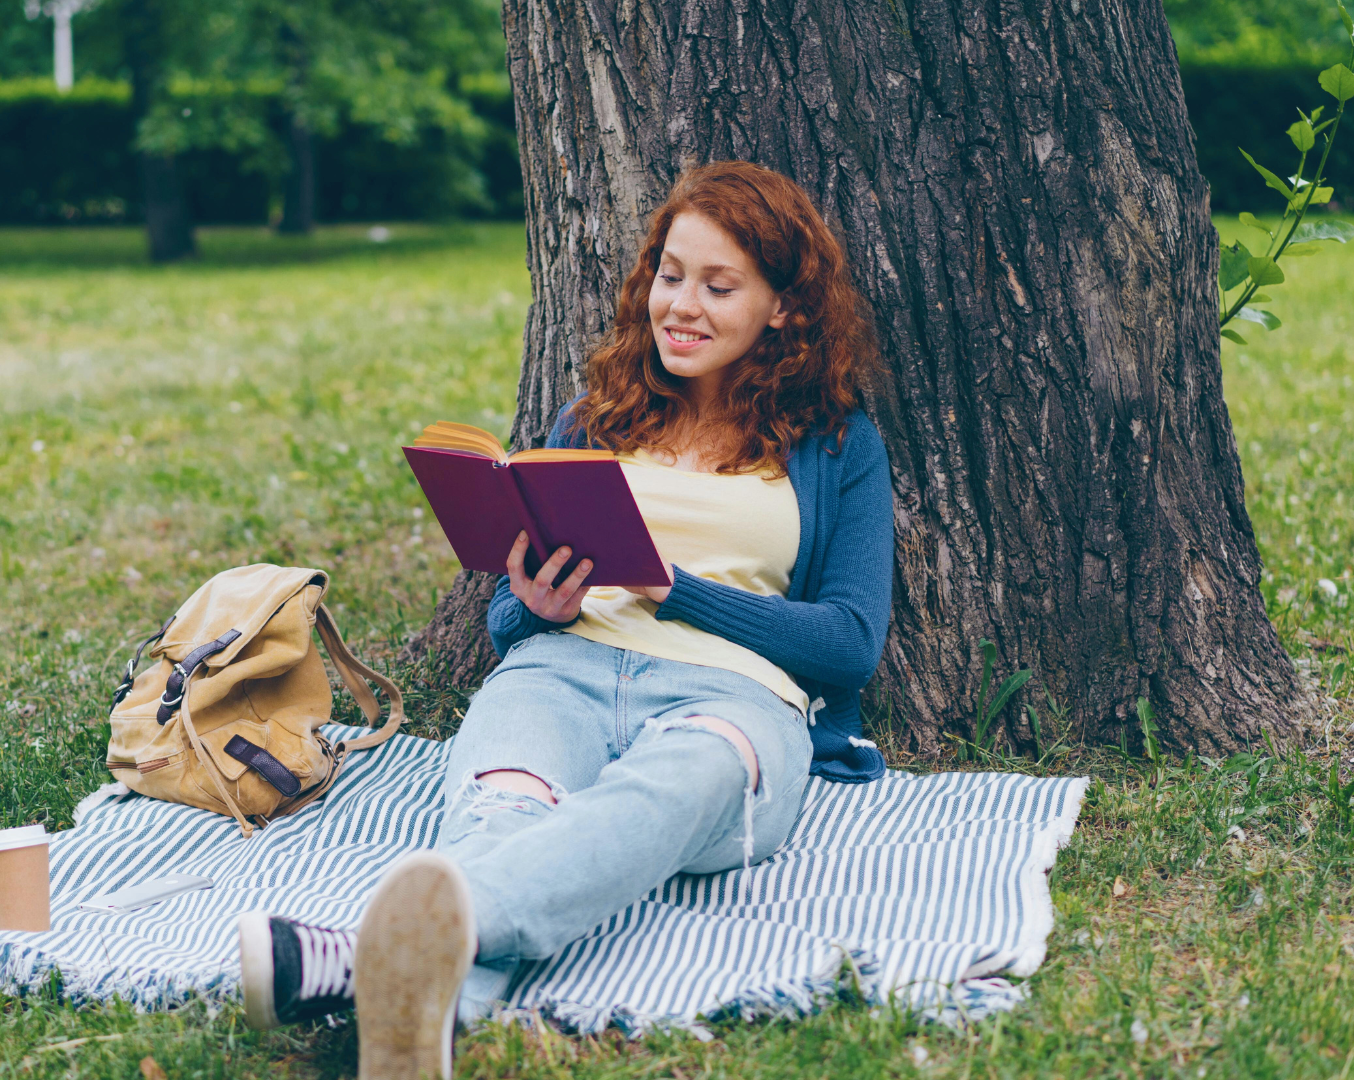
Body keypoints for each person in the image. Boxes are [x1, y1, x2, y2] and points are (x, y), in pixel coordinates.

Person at [235, 161, 894, 1080]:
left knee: (672, 787)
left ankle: (353, 960)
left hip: (732, 706)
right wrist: (529, 608)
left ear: (783, 307)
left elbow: (851, 645)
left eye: (719, 285)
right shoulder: (597, 417)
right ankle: (417, 1021)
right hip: (561, 672)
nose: (681, 305)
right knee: (505, 809)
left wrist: (678, 591)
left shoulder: (837, 442)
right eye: (670, 274)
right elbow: (516, 619)